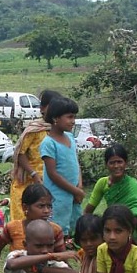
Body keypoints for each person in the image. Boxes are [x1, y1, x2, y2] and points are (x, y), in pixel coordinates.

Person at [0, 184, 65, 273]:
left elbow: (63, 261)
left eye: (49, 206)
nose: (46, 211)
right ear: (25, 207)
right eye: (41, 206)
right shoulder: (13, 228)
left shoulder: (55, 230)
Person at [9, 90, 61, 221]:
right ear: (42, 108)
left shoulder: (59, 131)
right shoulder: (34, 129)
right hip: (30, 182)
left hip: (53, 181)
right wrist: (33, 174)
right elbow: (21, 153)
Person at [84, 144, 137, 247]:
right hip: (109, 225)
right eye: (112, 163)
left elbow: (136, 213)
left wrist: (123, 230)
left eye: (119, 162)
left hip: (128, 228)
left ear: (126, 163)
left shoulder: (133, 184)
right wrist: (85, 228)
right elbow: (88, 210)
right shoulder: (102, 183)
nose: (116, 166)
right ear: (106, 164)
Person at [40, 96, 83, 237]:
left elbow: (76, 163)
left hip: (73, 193)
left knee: (75, 226)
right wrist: (74, 190)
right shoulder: (48, 143)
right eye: (69, 117)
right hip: (57, 196)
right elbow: (53, 174)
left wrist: (79, 187)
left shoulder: (70, 137)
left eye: (74, 117)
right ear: (55, 118)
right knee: (57, 229)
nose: (73, 121)